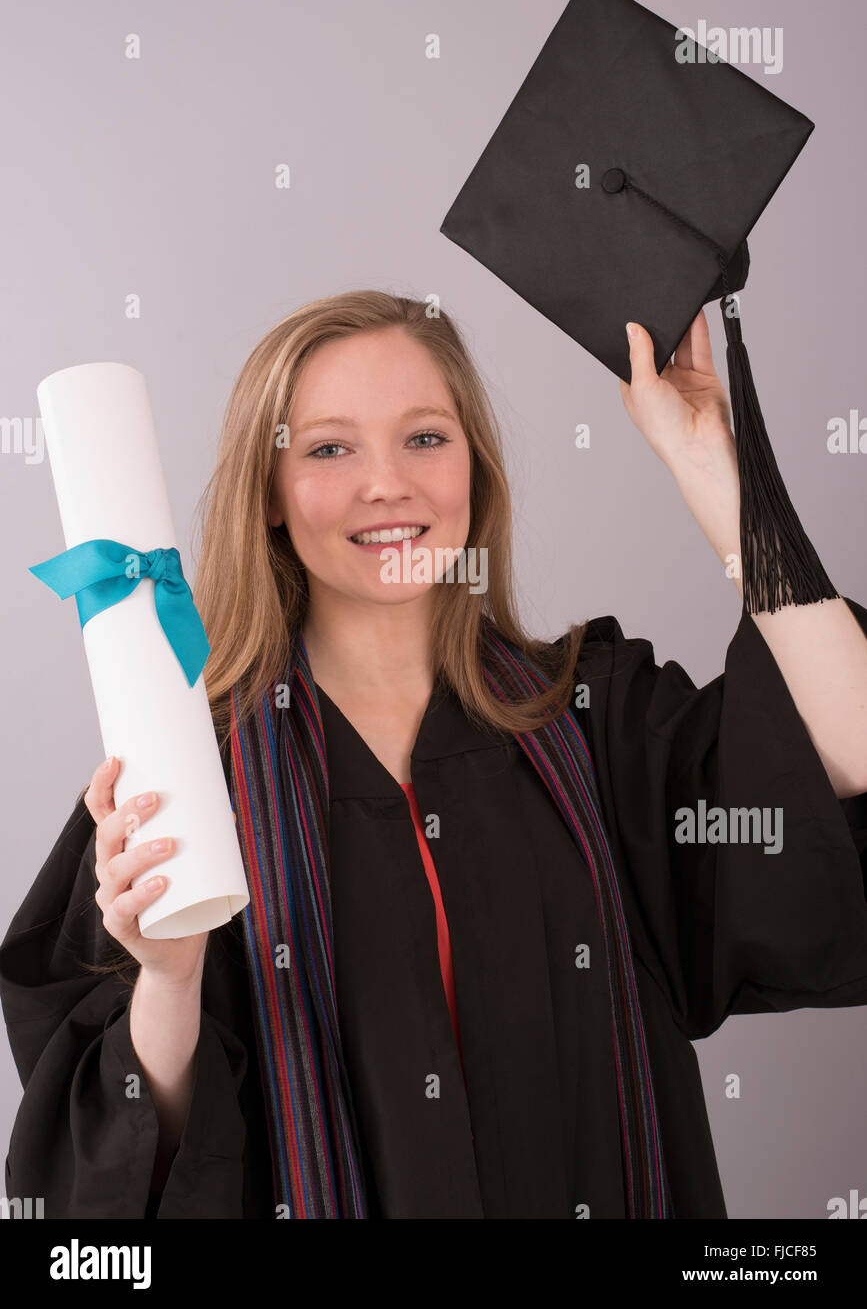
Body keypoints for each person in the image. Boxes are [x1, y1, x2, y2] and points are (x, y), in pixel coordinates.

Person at [2, 291, 867, 1219]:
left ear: (474, 472)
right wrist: (170, 979)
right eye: (329, 448)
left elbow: (844, 750)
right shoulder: (188, 779)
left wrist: (713, 469)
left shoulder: (586, 719)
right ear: (269, 493)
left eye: (425, 438)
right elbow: (124, 1175)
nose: (388, 484)